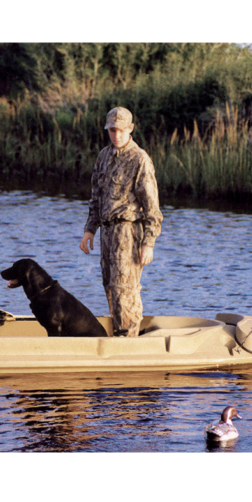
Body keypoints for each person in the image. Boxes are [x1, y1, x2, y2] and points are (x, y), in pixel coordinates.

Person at [79, 106, 163, 337]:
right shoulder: (103, 157)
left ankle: (129, 343)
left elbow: (152, 208)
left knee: (125, 291)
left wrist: (148, 243)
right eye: (112, 130)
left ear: (131, 129)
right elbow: (96, 198)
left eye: (121, 130)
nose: (116, 135)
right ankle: (119, 337)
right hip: (107, 233)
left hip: (128, 233)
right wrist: (89, 231)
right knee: (110, 289)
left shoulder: (140, 159)